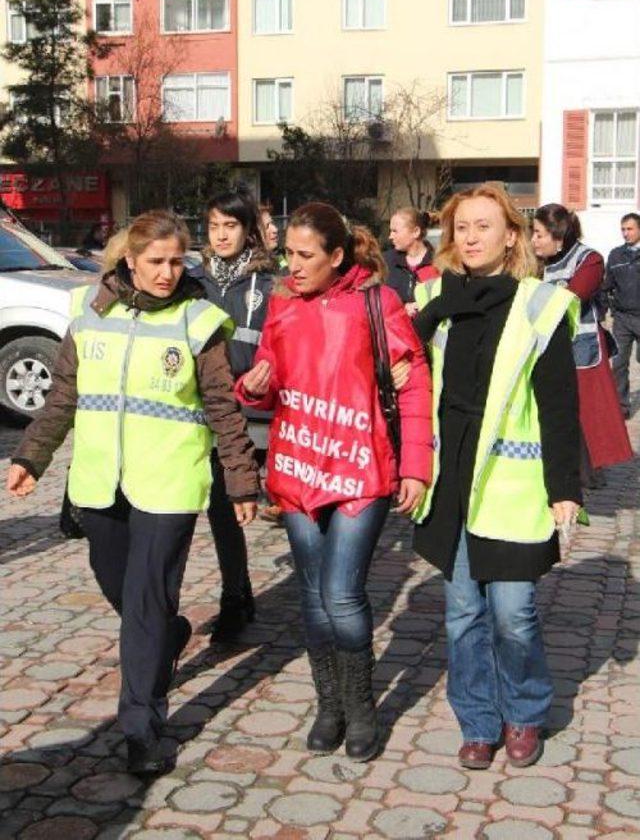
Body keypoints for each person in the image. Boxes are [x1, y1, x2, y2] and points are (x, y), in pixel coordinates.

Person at [6, 210, 259, 776]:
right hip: (99, 482)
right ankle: (170, 633)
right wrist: (31, 457)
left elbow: (223, 406)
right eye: (156, 262)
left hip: (168, 484)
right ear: (130, 261)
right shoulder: (89, 313)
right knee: (120, 588)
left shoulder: (199, 321)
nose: (168, 272)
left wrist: (241, 477)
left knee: (144, 602)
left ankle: (142, 727)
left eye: (176, 261)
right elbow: (64, 396)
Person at [236, 202, 433, 762]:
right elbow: (269, 387)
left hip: (359, 470)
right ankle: (330, 705)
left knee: (342, 595)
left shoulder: (378, 302)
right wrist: (253, 388)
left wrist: (416, 465)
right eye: (287, 254)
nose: (292, 266)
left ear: (337, 255)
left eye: (305, 255)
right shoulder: (280, 306)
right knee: (313, 599)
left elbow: (414, 384)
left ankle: (362, 707)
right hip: (297, 470)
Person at [412, 184, 582, 771]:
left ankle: (525, 712)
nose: (472, 237)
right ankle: (479, 722)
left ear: (512, 235)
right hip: (450, 477)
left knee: (512, 613)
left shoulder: (540, 305)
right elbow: (405, 379)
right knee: (462, 613)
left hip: (511, 482)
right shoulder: (432, 297)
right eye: (462, 228)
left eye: (485, 226)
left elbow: (559, 403)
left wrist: (563, 488)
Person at [189, 190, 279, 641]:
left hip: (258, 412)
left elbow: (280, 343)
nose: (221, 235)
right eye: (214, 226)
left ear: (248, 232)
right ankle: (235, 594)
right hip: (209, 412)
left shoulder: (270, 283)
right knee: (222, 509)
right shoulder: (193, 280)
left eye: (231, 226)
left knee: (254, 506)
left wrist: (270, 372)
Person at [532, 204, 632, 485]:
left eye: (539, 234)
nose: (534, 241)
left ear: (558, 236)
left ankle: (586, 473)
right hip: (545, 346)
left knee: (586, 413)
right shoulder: (537, 263)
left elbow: (572, 297)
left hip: (581, 348)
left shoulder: (590, 260)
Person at [602, 213, 640, 419]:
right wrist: (606, 310)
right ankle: (622, 407)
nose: (626, 233)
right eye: (623, 229)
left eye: (630, 229)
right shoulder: (616, 256)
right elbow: (606, 286)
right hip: (623, 319)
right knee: (618, 364)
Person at [384, 207, 439, 316]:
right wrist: (402, 310)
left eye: (395, 231)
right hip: (396, 330)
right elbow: (377, 304)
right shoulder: (386, 261)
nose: (390, 236)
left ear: (415, 232)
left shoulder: (438, 263)